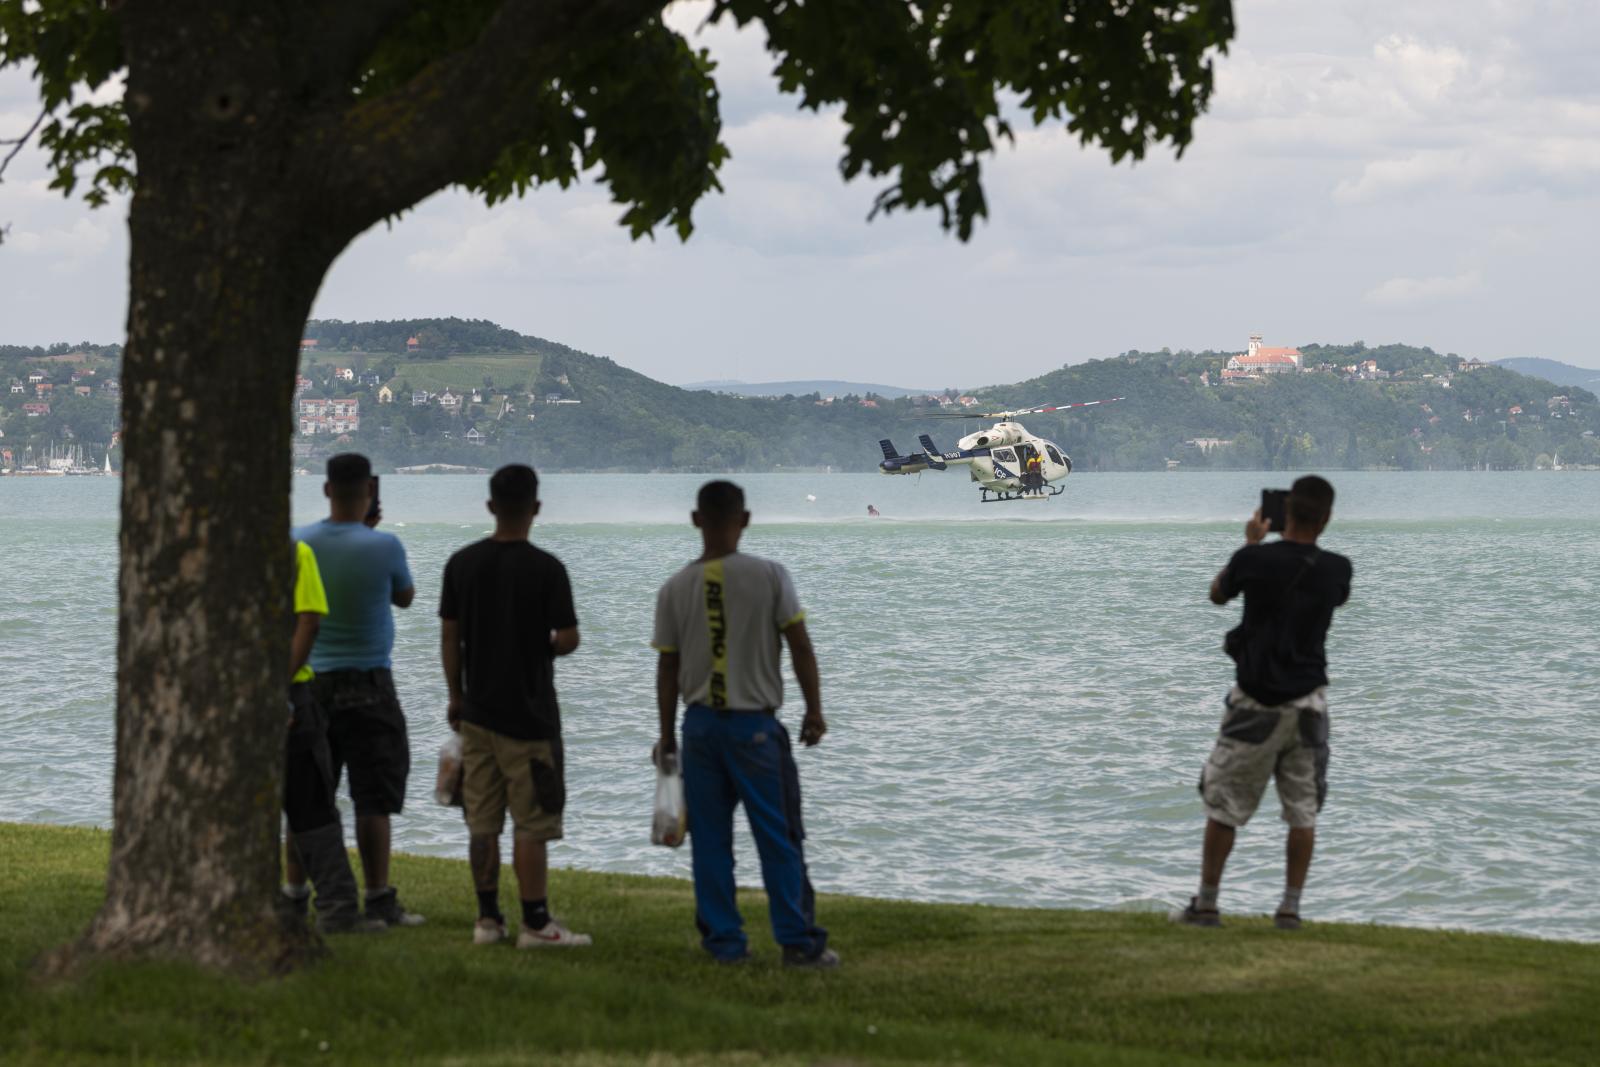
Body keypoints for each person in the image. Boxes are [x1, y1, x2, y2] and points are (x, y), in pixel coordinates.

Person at [652, 480, 837, 968]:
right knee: (778, 836)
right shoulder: (771, 576)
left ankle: (725, 943)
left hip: (698, 730)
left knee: (710, 843)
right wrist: (813, 710)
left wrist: (666, 734)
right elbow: (799, 645)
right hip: (754, 728)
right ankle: (797, 941)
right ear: (745, 520)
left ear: (696, 520)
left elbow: (667, 668)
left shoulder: (674, 588)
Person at [1172, 475, 1352, 930]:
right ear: (1326, 518)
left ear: (1283, 512)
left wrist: (1252, 543)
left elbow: (1217, 595)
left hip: (1255, 702)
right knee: (1302, 810)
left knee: (1223, 804)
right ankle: (1290, 909)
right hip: (1310, 704)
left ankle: (1208, 904)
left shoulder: (1253, 558)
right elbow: (1336, 597)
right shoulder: (1337, 569)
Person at [439, 464, 589, 948]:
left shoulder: (461, 564)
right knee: (531, 821)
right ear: (536, 508)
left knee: (482, 820)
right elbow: (567, 639)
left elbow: (450, 637)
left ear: (490, 506)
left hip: (477, 713)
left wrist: (455, 695)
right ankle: (535, 922)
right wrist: (543, 643)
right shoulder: (548, 569)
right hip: (530, 715)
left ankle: (487, 920)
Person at [291, 453, 422, 927]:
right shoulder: (385, 546)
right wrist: (370, 532)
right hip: (370, 684)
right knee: (374, 800)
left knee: (307, 798)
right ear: (370, 491)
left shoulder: (298, 541)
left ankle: (293, 894)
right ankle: (379, 898)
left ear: (327, 490)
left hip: (312, 684)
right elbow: (404, 597)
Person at [282, 540, 384, 934]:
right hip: (293, 694)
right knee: (312, 804)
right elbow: (310, 621)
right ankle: (337, 906)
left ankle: (296, 897)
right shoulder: (293, 552)